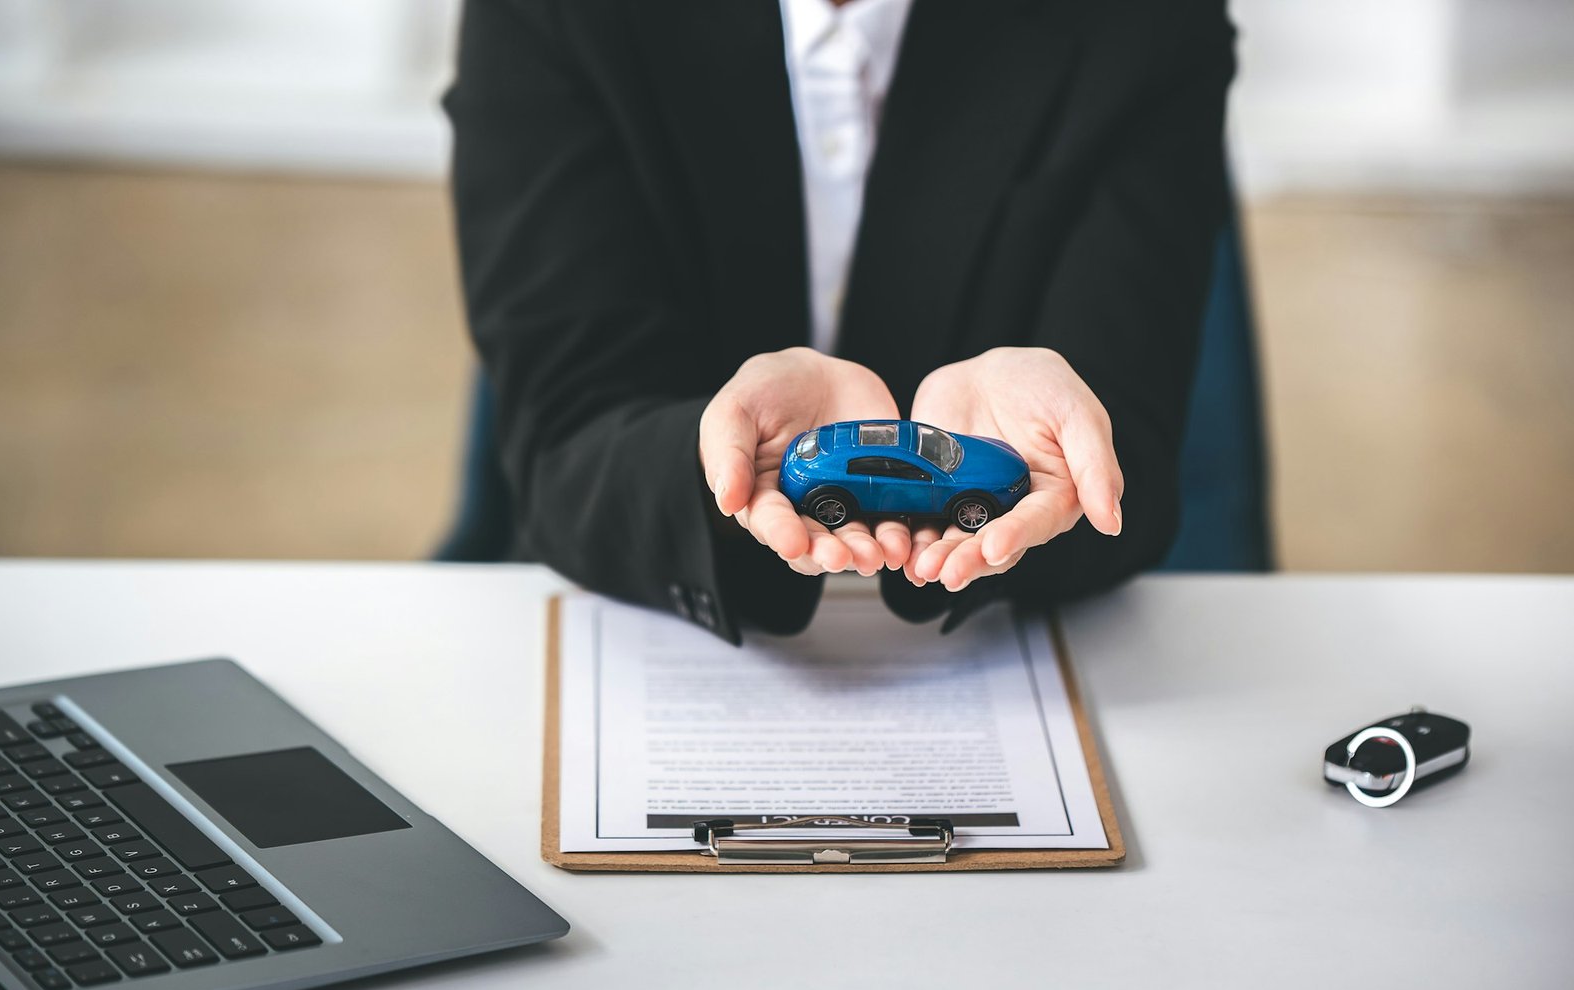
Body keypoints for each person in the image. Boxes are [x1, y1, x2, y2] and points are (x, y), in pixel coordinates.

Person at [445, 0, 1235, 643]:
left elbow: (1134, 464)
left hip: (1002, 639)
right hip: (661, 623)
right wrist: (719, 464)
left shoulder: (1147, 20)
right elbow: (568, 437)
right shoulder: (549, 13)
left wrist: (1067, 449)